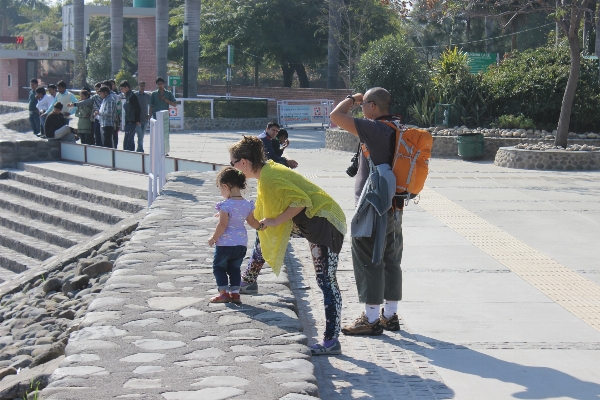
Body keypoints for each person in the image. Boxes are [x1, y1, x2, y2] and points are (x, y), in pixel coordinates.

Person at [231, 136, 346, 355]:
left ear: (244, 162)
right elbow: (267, 207)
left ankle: (331, 340)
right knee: (264, 232)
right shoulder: (267, 171)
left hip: (325, 222)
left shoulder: (270, 177)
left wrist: (274, 220)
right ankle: (249, 279)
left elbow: (302, 201)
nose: (233, 168)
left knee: (326, 280)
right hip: (311, 221)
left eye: (233, 163)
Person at [329, 88, 403, 336]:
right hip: (394, 206)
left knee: (368, 257)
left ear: (372, 106)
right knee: (391, 259)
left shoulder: (375, 128)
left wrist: (352, 98)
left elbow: (336, 116)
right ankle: (390, 316)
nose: (361, 108)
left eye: (364, 105)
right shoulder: (396, 126)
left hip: (372, 207)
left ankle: (370, 319)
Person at [207, 167, 259, 305]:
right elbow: (252, 222)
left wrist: (213, 238)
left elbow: (222, 225)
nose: (221, 192)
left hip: (225, 245)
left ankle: (223, 293)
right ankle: (235, 294)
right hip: (241, 244)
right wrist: (261, 226)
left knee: (219, 268)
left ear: (225, 186)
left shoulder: (225, 205)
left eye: (221, 189)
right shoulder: (247, 204)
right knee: (235, 269)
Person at [119, 80, 141, 151]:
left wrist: (137, 120)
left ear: (127, 87)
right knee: (129, 139)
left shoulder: (132, 96)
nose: (122, 90)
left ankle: (128, 154)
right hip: (128, 121)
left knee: (128, 140)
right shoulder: (127, 96)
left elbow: (137, 108)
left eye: (122, 88)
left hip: (132, 121)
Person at [135, 81, 150, 152]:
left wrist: (149, 114)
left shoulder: (147, 96)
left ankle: (139, 148)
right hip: (138, 119)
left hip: (145, 119)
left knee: (142, 136)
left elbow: (152, 106)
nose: (142, 87)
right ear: (138, 86)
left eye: (143, 86)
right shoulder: (135, 96)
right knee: (140, 135)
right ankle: (140, 150)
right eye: (141, 86)